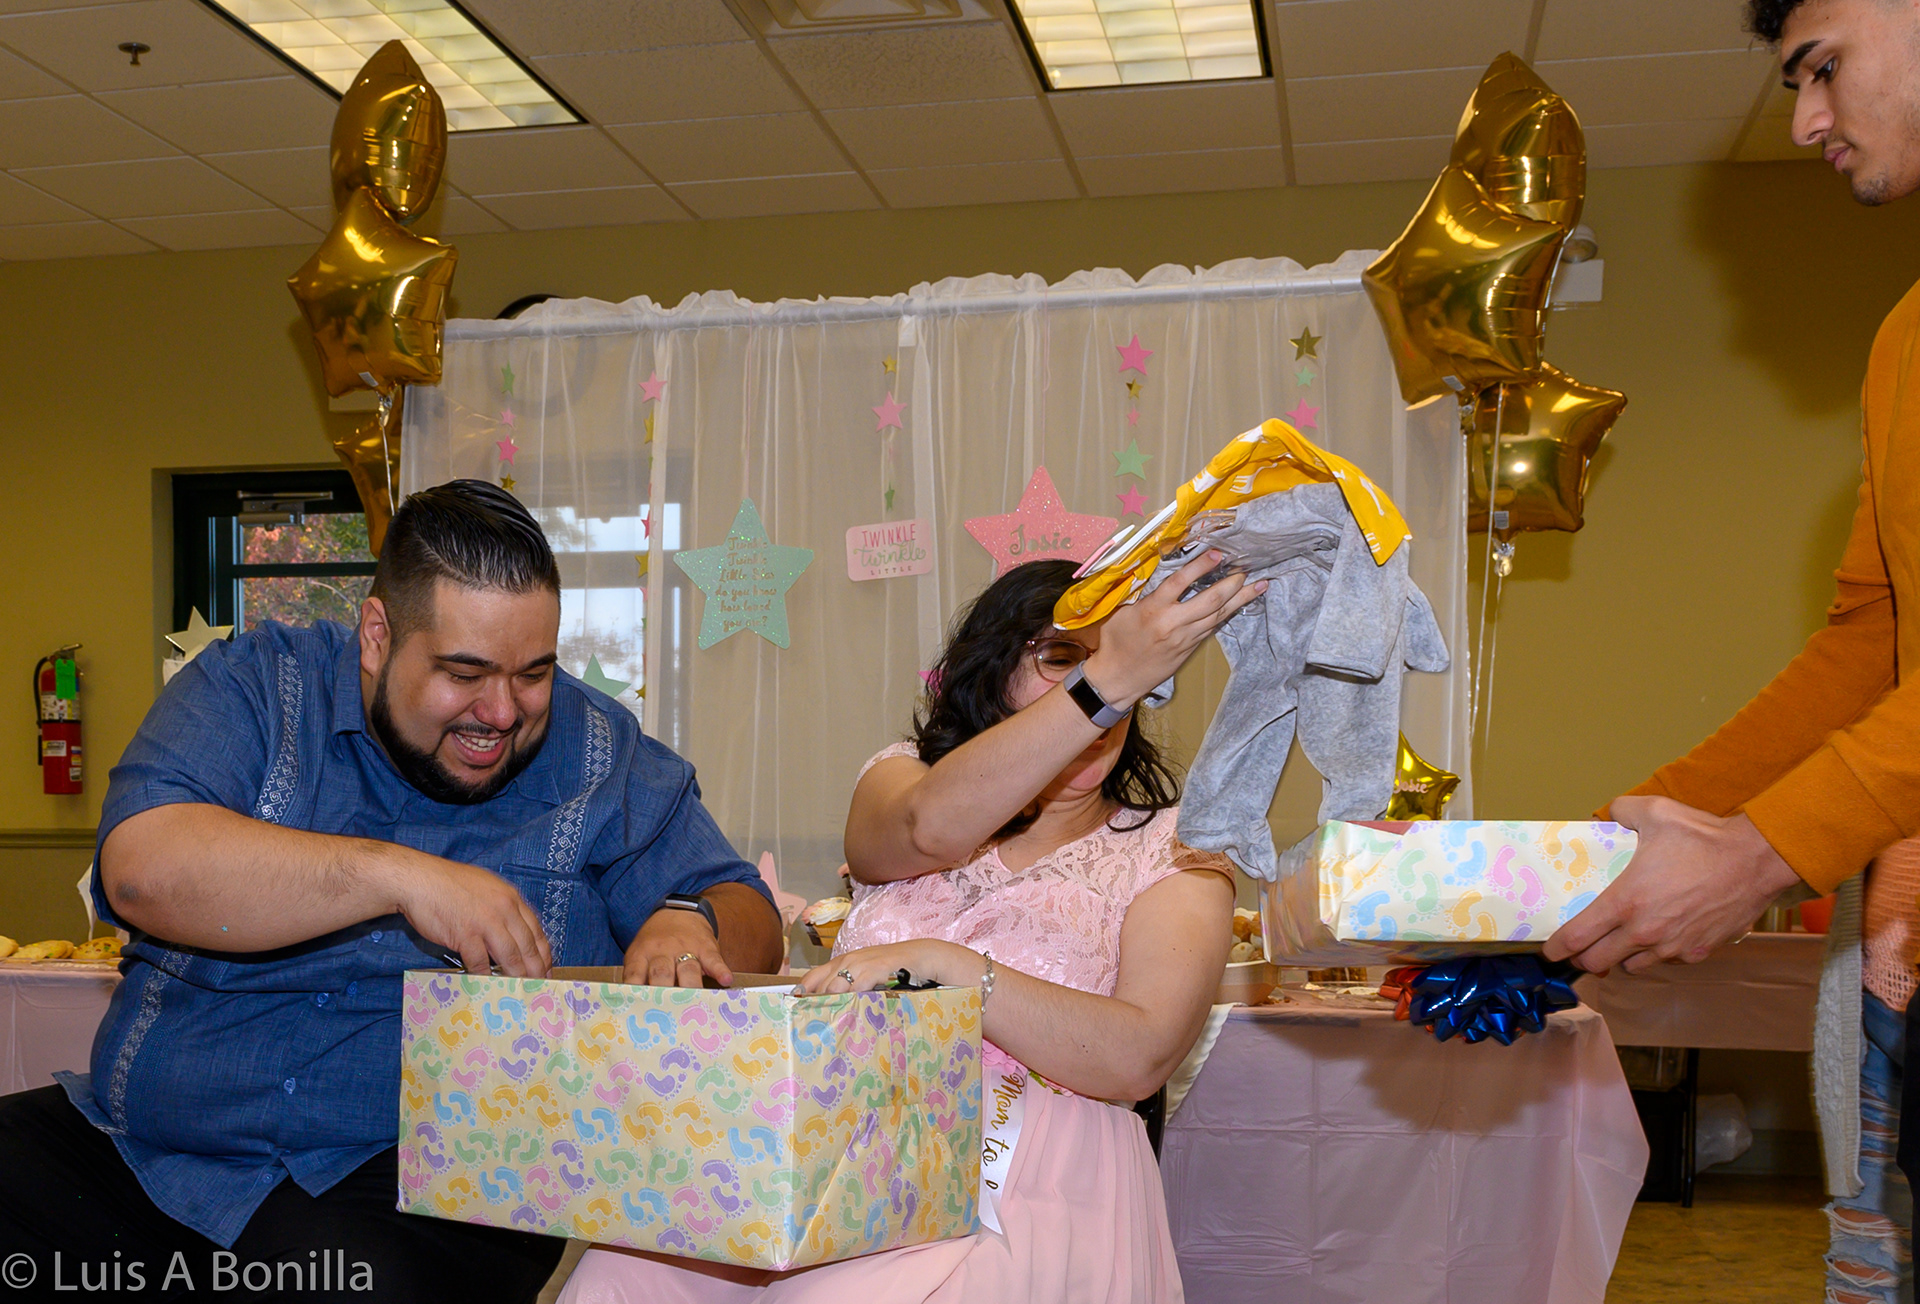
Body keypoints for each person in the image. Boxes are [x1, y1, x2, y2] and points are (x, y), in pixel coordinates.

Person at [0, 480, 784, 1302]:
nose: (501, 712)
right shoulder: (255, 688)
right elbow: (142, 870)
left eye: (534, 674)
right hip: (142, 1156)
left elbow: (747, 914)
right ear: (376, 635)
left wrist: (689, 919)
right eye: (464, 672)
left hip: (418, 1183)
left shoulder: (598, 753)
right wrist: (399, 876)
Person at [558, 551, 1264, 1303]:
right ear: (993, 673)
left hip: (1024, 1169)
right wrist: (1101, 684)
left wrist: (949, 968)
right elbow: (928, 829)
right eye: (1063, 658)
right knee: (614, 1279)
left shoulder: (1178, 846)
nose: (1099, 698)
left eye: (1118, 669)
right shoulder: (903, 778)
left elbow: (1140, 1056)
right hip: (827, 1145)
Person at [1543, 2, 1920, 1298]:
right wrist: (1604, 850)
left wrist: (1757, 854)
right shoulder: (1901, 341)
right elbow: (1872, 641)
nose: (1807, 120)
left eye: (1823, 67)